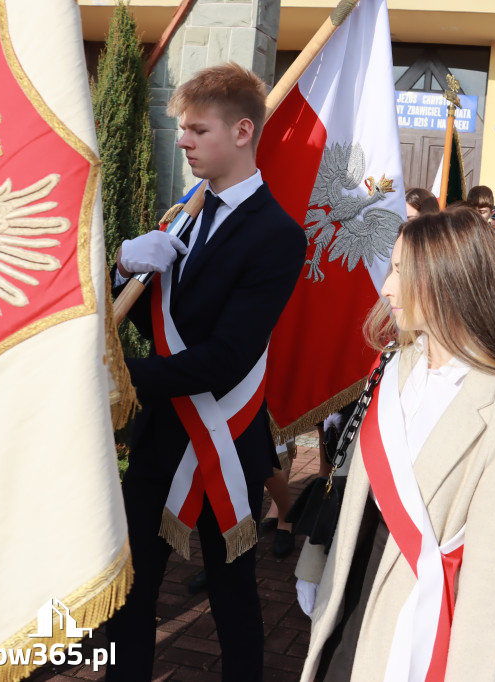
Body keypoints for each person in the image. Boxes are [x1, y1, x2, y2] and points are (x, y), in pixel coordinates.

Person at [106, 62, 307, 682]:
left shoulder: (277, 234)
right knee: (132, 591)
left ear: (243, 131)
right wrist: (122, 269)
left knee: (231, 597)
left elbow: (226, 356)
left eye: (197, 129)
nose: (184, 141)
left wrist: (118, 378)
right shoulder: (185, 216)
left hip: (225, 437)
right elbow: (159, 330)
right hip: (164, 432)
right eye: (182, 131)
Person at [296, 208, 495, 682]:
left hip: (426, 612)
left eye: (400, 271)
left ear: (450, 281)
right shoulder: (394, 368)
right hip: (355, 592)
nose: (387, 287)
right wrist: (315, 556)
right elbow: (351, 479)